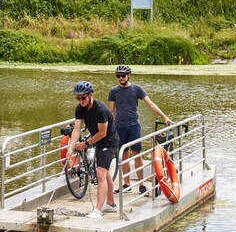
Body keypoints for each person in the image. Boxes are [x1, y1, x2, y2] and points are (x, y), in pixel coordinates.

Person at [107, 64, 171, 195]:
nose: (120, 78)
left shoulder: (137, 89)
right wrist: (108, 128)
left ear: (128, 75)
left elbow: (151, 104)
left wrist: (164, 116)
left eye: (123, 76)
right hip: (120, 127)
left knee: (137, 155)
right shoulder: (114, 91)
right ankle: (126, 184)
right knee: (123, 156)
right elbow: (111, 112)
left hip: (133, 126)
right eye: (118, 76)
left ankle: (141, 185)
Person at [68, 81, 119, 219]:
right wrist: (70, 147)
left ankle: (98, 211)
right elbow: (77, 129)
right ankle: (111, 203)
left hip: (108, 140)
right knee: (105, 171)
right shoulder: (79, 108)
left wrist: (85, 144)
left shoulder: (101, 109)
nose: (80, 101)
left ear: (90, 95)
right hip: (97, 140)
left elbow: (102, 133)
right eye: (78, 98)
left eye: (83, 98)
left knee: (101, 173)